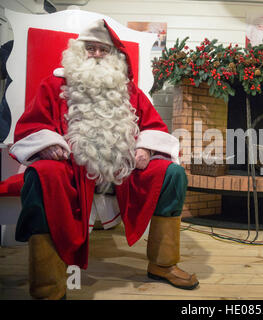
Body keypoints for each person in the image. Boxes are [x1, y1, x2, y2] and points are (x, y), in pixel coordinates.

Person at [9, 19, 198, 300]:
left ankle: (162, 263)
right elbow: (32, 126)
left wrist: (144, 149)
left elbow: (154, 128)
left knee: (172, 173)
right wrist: (48, 144)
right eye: (90, 48)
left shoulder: (129, 90)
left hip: (123, 172)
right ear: (77, 51)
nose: (97, 54)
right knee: (43, 175)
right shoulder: (54, 84)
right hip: (71, 170)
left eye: (103, 50)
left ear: (114, 57)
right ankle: (48, 283)